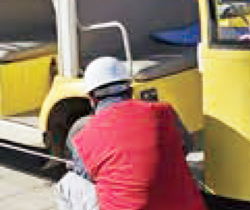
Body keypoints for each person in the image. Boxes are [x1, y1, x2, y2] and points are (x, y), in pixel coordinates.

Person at [55, 57, 206, 210]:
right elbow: (187, 146)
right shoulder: (164, 112)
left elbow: (86, 174)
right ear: (130, 90)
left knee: (68, 183)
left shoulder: (84, 138)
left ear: (92, 100)